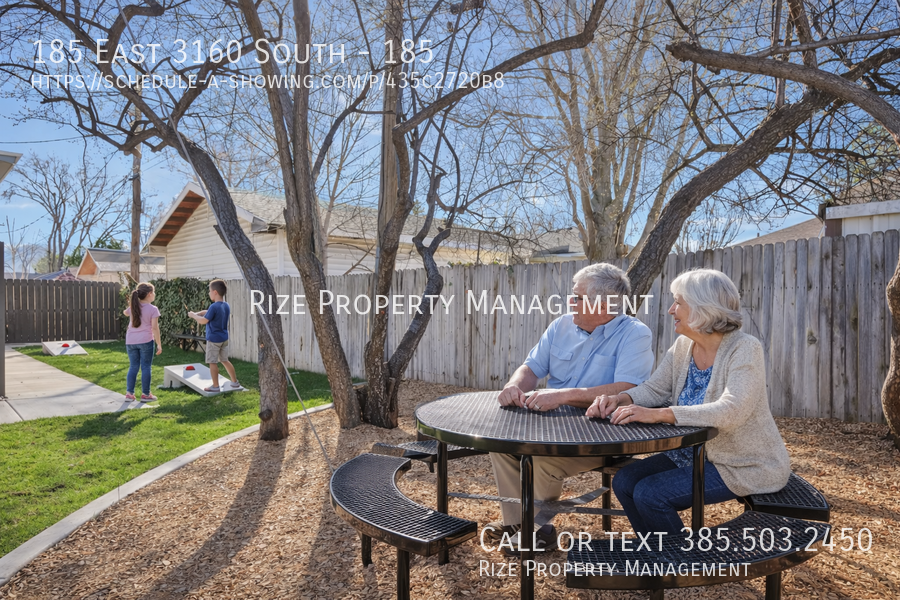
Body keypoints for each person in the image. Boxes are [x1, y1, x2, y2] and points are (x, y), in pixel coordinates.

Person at [588, 268, 791, 538]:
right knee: (625, 481)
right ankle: (656, 555)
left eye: (678, 302)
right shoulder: (684, 345)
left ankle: (680, 563)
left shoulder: (744, 348)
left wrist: (659, 415)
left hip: (744, 464)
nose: (671, 310)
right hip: (693, 454)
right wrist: (620, 399)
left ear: (702, 308)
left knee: (651, 495)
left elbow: (732, 410)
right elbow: (655, 388)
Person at [487, 263, 654, 548]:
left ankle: (537, 532)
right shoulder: (561, 325)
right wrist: (513, 386)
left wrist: (562, 395)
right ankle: (519, 525)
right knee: (501, 445)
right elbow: (531, 367)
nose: (569, 302)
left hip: (603, 434)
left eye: (577, 297)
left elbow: (628, 388)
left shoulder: (635, 335)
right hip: (552, 425)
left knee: (542, 460)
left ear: (601, 305)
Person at [188, 279, 241, 392]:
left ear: (215, 292)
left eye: (209, 291)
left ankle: (215, 386)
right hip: (224, 338)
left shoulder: (214, 307)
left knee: (212, 362)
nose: (209, 293)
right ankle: (235, 382)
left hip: (214, 340)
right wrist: (199, 313)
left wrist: (194, 316)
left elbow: (203, 321)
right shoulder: (225, 305)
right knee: (225, 360)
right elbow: (208, 312)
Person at [123, 282, 162, 402]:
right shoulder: (153, 309)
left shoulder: (134, 307)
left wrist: (132, 306)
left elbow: (125, 312)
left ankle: (129, 394)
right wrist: (159, 344)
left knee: (133, 366)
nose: (154, 294)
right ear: (150, 294)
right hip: (145, 341)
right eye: (153, 292)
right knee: (146, 367)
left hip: (130, 341)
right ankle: (145, 394)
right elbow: (155, 328)